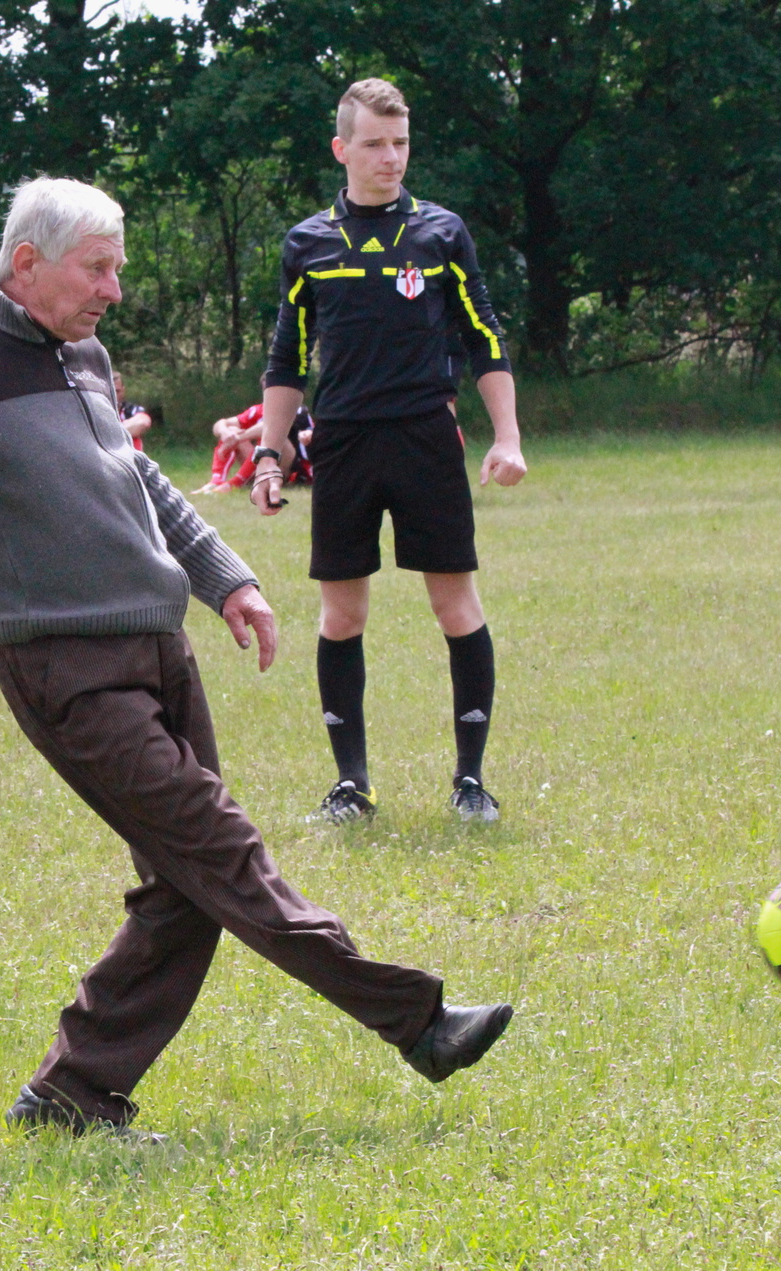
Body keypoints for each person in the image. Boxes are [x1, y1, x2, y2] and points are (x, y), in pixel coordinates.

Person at [0, 176, 512, 1138]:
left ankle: (70, 1095)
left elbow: (134, 474)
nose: (113, 290)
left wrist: (225, 577)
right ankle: (419, 1022)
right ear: (29, 263)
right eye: (98, 269)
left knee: (187, 891)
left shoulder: (82, 351)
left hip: (159, 648)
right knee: (221, 850)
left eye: (118, 270)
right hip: (64, 666)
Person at [252, 78, 527, 825]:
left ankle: (471, 782)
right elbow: (286, 360)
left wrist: (507, 436)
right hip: (342, 443)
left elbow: (485, 337)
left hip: (426, 439)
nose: (390, 157)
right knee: (341, 617)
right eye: (374, 143)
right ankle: (353, 786)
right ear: (341, 149)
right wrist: (271, 453)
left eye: (400, 143)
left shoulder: (441, 234)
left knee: (455, 606)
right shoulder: (308, 244)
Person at [196, 380, 312, 494]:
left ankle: (234, 483)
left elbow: (269, 426)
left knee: (269, 435)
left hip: (288, 466)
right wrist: (225, 432)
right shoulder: (258, 410)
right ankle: (216, 480)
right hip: (263, 462)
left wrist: (238, 437)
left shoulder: (295, 409)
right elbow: (220, 424)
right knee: (230, 430)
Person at [112, 371, 154, 450]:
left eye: (117, 391)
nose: (114, 396)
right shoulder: (96, 412)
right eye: (111, 392)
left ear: (123, 390)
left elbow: (143, 422)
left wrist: (109, 434)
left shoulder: (131, 409)